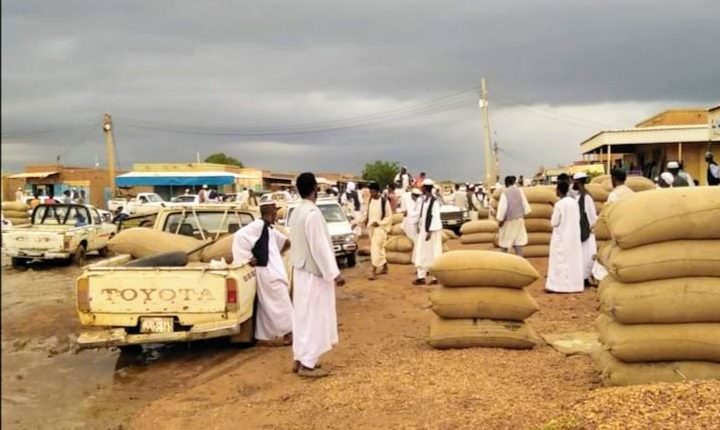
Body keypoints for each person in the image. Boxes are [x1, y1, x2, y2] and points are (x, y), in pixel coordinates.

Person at [289, 172, 345, 378]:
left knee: (303, 317)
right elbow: (319, 248)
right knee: (313, 317)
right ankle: (308, 364)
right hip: (314, 274)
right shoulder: (312, 214)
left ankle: (300, 357)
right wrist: (334, 273)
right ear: (315, 189)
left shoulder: (297, 211)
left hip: (301, 272)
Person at [232, 201, 293, 346]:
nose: (276, 214)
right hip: (267, 272)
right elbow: (239, 236)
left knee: (271, 306)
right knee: (280, 305)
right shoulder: (258, 226)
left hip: (272, 271)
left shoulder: (269, 229)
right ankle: (288, 334)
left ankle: (269, 336)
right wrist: (247, 258)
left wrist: (274, 255)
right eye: (275, 212)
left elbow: (286, 243)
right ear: (272, 213)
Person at [591, 169, 635, 283]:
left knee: (609, 253)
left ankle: (604, 277)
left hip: (617, 228)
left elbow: (607, 214)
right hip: (632, 228)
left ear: (614, 179)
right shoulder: (631, 193)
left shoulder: (614, 195)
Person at [546, 181, 584, 293]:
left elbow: (554, 222)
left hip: (561, 238)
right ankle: (575, 286)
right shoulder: (574, 202)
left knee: (559, 263)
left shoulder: (559, 204)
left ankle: (557, 287)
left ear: (559, 190)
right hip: (573, 238)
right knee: (573, 262)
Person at [355, 183, 392, 280]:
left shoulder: (384, 202)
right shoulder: (370, 200)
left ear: (378, 191)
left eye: (373, 192)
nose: (372, 194)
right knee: (379, 249)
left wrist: (379, 223)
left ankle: (373, 271)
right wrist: (357, 223)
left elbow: (389, 216)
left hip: (381, 229)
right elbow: (366, 214)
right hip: (371, 229)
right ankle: (385, 267)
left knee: (375, 249)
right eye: (370, 192)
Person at [412, 179, 443, 286]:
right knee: (422, 252)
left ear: (425, 188)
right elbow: (420, 214)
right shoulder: (422, 199)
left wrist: (430, 231)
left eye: (422, 187)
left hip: (432, 231)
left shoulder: (435, 201)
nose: (421, 188)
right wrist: (418, 225)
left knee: (435, 252)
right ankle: (421, 277)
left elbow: (435, 216)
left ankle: (436, 277)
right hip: (423, 230)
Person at [572, 172, 598, 287]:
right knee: (581, 255)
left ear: (578, 182)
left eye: (574, 181)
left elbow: (592, 214)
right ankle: (581, 277)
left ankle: (586, 277)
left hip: (587, 230)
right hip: (579, 230)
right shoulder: (578, 195)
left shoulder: (586, 196)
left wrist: (592, 227)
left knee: (588, 255)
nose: (573, 184)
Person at [496, 176, 531, 256]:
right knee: (518, 242)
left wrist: (500, 221)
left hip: (509, 222)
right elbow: (525, 206)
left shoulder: (505, 193)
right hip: (519, 220)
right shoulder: (519, 191)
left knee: (504, 242)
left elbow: (502, 209)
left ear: (506, 183)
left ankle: (503, 260)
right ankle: (520, 260)